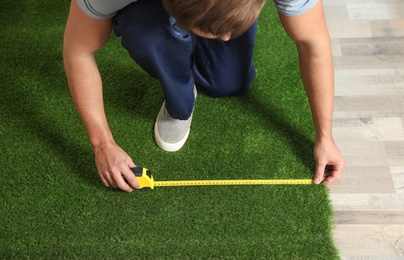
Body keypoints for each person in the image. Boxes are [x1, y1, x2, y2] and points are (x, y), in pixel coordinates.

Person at [63, 0, 345, 192]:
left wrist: (325, 136)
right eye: (215, 31)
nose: (226, 37)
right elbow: (78, 50)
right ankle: (171, 51)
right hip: (148, 11)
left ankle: (205, 37)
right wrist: (102, 144)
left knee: (227, 84)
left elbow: (313, 44)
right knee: (146, 32)